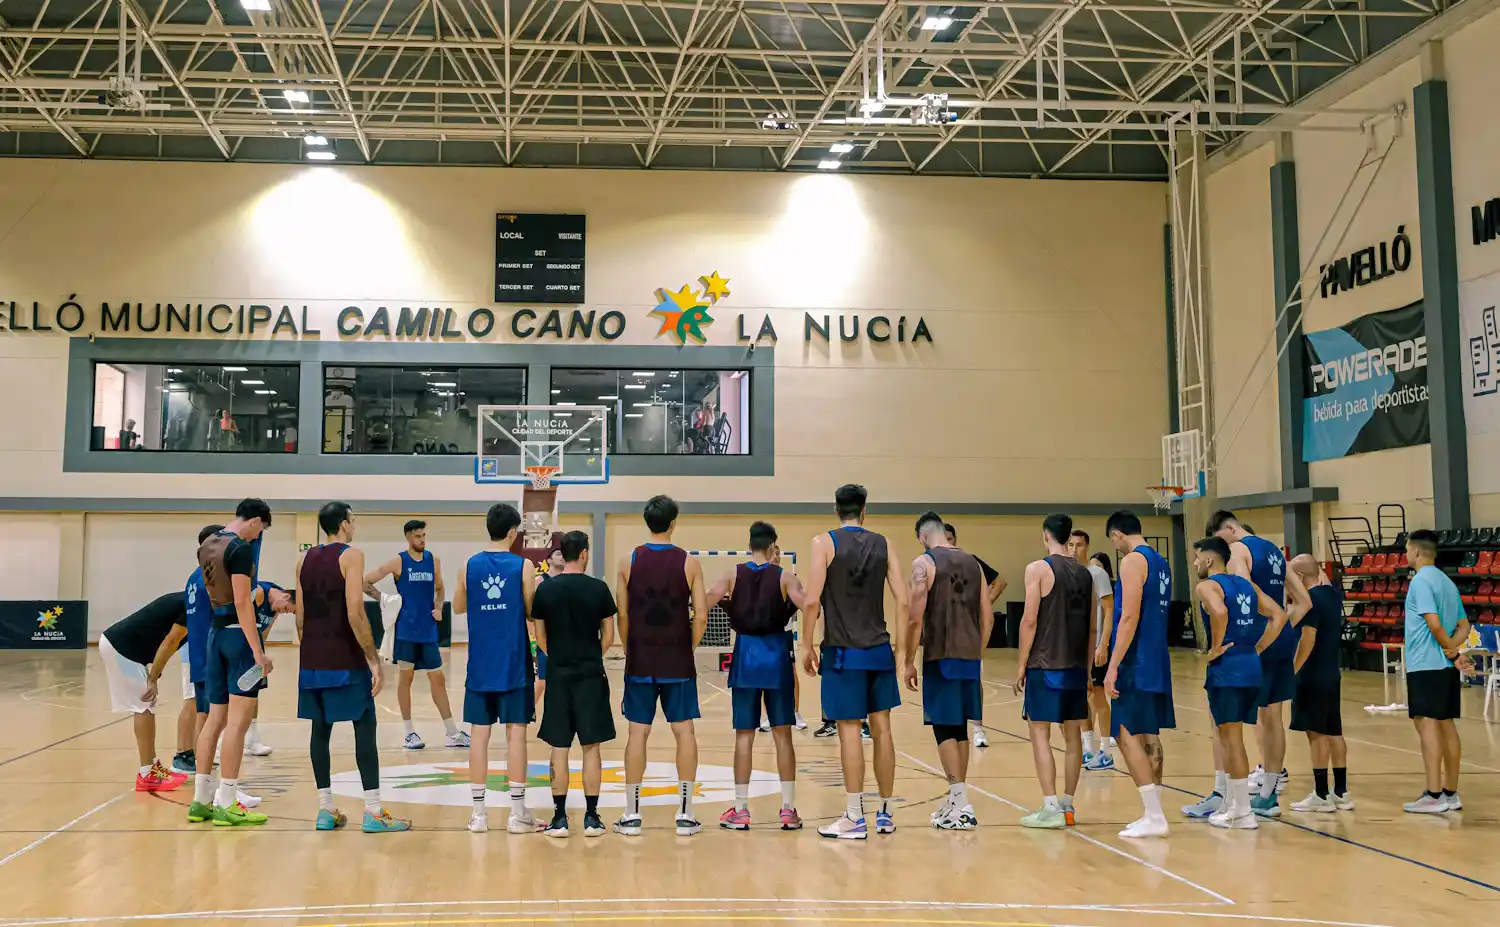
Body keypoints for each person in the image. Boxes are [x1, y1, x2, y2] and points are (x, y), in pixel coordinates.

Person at [799, 484, 909, 840]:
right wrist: (904, 651)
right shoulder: (885, 544)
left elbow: (812, 600)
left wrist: (806, 644)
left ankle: (853, 816)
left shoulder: (823, 543)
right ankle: (887, 814)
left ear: (836, 510)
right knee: (883, 730)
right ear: (864, 511)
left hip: (844, 652)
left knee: (848, 732)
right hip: (879, 649)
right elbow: (904, 601)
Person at [296, 502, 410, 834]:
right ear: (344, 525)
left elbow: (301, 617)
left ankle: (325, 809)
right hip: (343, 657)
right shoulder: (351, 555)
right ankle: (374, 812)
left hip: (312, 658)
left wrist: (310, 651)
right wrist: (373, 658)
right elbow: (356, 610)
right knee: (364, 724)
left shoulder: (302, 560)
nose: (354, 526)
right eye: (353, 521)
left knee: (320, 730)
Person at [615, 495, 709, 837]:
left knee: (637, 732)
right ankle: (685, 813)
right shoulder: (690, 563)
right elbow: (701, 615)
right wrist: (690, 645)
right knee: (684, 731)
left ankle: (631, 813)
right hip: (677, 659)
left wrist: (629, 648)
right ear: (673, 522)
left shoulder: (628, 560)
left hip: (640, 656)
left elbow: (622, 614)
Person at [1207, 510, 1309, 818]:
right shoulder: (1275, 551)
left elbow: (1245, 592)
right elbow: (1304, 601)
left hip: (1257, 640)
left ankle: (1226, 795)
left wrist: (1259, 637)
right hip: (1283, 639)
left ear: (1229, 528)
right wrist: (1283, 627)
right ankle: (1268, 794)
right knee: (1273, 717)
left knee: (1226, 719)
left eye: (1220, 540)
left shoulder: (1239, 549)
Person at [709, 521, 807, 832]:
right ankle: (788, 809)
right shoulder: (786, 576)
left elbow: (703, 602)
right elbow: (811, 604)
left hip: (746, 656)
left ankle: (741, 809)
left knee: (744, 735)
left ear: (749, 545)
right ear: (773, 547)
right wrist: (810, 644)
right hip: (777, 655)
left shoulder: (730, 574)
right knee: (783, 735)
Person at [187, 498, 273, 827]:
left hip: (214, 636)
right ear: (255, 521)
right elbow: (241, 600)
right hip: (238, 639)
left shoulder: (207, 544)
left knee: (214, 719)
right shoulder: (240, 549)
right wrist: (258, 651)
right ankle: (227, 800)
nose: (257, 536)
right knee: (237, 723)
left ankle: (200, 801)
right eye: (260, 529)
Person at [455, 503, 540, 835]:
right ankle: (517, 813)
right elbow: (532, 612)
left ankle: (479, 815)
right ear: (511, 532)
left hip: (480, 664)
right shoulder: (524, 566)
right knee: (516, 735)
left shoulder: (468, 565)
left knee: (479, 735)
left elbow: (459, 606)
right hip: (514, 663)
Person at [1193, 537, 1285, 829]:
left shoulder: (1206, 586)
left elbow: (1219, 612)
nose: (1195, 563)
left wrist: (1215, 647)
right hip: (1251, 666)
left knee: (1229, 739)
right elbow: (1279, 616)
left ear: (1209, 560)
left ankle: (1242, 812)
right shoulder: (1247, 585)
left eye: (1197, 558)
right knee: (1235, 739)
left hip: (1228, 668)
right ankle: (1237, 806)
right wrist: (1257, 648)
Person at [907, 511, 989, 830]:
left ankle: (961, 804)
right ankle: (958, 800)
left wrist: (907, 659)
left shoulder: (924, 563)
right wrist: (976, 650)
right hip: (970, 655)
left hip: (941, 654)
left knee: (944, 727)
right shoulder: (974, 563)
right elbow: (988, 616)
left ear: (923, 536)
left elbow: (915, 616)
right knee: (960, 728)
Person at [532, 531, 617, 838]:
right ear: (583, 554)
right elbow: (609, 635)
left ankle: (559, 818)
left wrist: (557, 656)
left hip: (558, 675)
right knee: (591, 746)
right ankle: (592, 817)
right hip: (591, 675)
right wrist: (593, 654)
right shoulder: (599, 589)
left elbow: (539, 636)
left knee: (559, 746)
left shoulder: (546, 590)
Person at [1016, 514, 1095, 829]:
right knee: (1073, 734)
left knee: (1039, 732)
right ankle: (1068, 805)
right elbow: (1091, 629)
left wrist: (1021, 663)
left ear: (1045, 535)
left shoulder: (1038, 569)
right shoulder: (1086, 574)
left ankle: (1050, 806)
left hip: (1045, 664)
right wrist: (1088, 670)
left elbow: (1029, 620)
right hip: (1076, 666)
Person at [363, 520, 467, 750]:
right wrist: (385, 600)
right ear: (408, 537)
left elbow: (439, 588)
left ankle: (452, 731)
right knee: (405, 679)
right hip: (406, 631)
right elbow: (365, 582)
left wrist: (439, 607)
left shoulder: (433, 560)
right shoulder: (399, 561)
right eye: (418, 536)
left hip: (428, 631)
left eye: (424, 535)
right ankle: (409, 733)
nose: (422, 539)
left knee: (438, 679)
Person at [1102, 509, 1174, 838]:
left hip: (1136, 659)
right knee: (1150, 734)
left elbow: (1128, 617)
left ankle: (1155, 816)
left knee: (1124, 730)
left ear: (1118, 534)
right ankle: (1153, 812)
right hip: (1157, 657)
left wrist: (1113, 664)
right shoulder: (1161, 563)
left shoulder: (1132, 561)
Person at [1401, 529, 1472, 814]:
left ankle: (1433, 794)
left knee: (1427, 724)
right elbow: (1464, 625)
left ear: (1417, 552)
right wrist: (1453, 650)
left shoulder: (1420, 581)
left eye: (1407, 550)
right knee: (1446, 724)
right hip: (1443, 666)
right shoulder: (1447, 581)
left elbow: (1433, 623)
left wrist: (1450, 650)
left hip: (1425, 664)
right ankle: (1451, 793)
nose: (1406, 555)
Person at [98, 591, 191, 792]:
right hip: (122, 647)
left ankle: (152, 766)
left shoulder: (193, 598)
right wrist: (152, 678)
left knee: (147, 705)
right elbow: (170, 641)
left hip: (130, 649)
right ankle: (147, 773)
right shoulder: (194, 604)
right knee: (144, 706)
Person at [1287, 554, 1354, 813]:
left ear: (1300, 577)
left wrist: (1293, 670)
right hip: (1331, 672)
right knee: (1334, 732)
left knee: (1315, 733)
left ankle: (1321, 794)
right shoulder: (1332, 595)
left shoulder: (1310, 601)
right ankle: (1341, 791)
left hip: (1312, 673)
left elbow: (1308, 638)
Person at [943, 523, 1005, 748]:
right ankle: (950, 726)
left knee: (974, 677)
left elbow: (999, 581)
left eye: (951, 538)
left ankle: (978, 728)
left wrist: (984, 605)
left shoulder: (971, 561)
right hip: (943, 633)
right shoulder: (932, 563)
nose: (948, 543)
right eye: (944, 538)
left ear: (956, 539)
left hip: (969, 630)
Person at [172, 523, 224, 776]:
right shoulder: (207, 575)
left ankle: (197, 756)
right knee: (194, 705)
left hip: (198, 649)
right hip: (201, 650)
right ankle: (185, 754)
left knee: (199, 706)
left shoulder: (196, 575)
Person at [1066, 531, 1116, 770]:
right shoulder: (1066, 573)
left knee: (1097, 697)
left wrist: (1103, 644)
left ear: (1087, 547)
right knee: (1080, 698)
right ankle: (1088, 749)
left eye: (1079, 545)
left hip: (1094, 646)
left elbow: (1108, 611)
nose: (1074, 549)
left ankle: (1106, 751)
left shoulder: (1098, 574)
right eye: (1071, 544)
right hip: (1072, 648)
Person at [243, 580, 295, 757]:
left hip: (254, 650)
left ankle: (252, 740)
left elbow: (264, 632)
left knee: (253, 695)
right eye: (287, 609)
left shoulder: (275, 608)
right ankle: (221, 741)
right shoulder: (259, 593)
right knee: (231, 696)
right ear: (286, 596)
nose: (285, 613)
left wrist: (260, 654)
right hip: (237, 645)